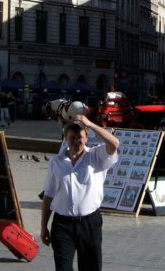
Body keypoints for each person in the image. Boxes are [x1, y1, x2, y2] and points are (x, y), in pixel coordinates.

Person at [40, 114, 120, 271]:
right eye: (72, 137)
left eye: (80, 137)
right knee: (63, 267)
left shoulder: (96, 156)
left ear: (86, 138)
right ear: (65, 138)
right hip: (63, 224)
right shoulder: (57, 162)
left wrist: (89, 123)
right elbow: (48, 195)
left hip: (89, 223)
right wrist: (43, 226)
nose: (76, 141)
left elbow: (114, 143)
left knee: (91, 266)